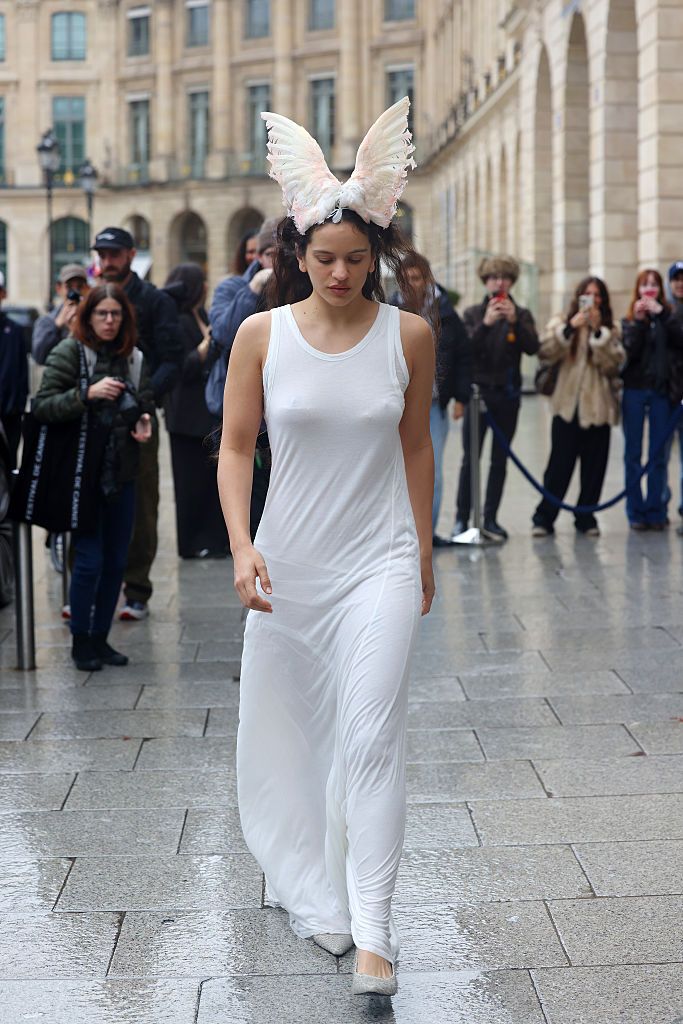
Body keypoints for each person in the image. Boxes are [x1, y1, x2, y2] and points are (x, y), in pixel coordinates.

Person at [217, 99, 434, 997]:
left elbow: (415, 445)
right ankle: (310, 873)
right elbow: (235, 448)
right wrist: (239, 547)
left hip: (379, 559)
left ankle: (376, 935)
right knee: (291, 730)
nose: (340, 273)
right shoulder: (259, 337)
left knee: (373, 731)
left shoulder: (410, 337)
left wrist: (421, 552)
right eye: (323, 259)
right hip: (288, 562)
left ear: (375, 257)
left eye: (355, 260)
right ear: (294, 257)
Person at [32, 284, 154, 670]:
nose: (108, 321)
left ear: (125, 319)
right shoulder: (71, 352)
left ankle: (101, 639)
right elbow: (43, 406)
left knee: (116, 561)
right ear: (87, 317)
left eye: (115, 314)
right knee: (88, 561)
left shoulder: (133, 357)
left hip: (123, 473)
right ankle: (81, 641)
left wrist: (144, 419)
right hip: (82, 475)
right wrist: (88, 393)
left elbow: (145, 401)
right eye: (101, 314)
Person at [92, 226, 183, 620]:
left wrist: (144, 401)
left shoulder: (154, 300)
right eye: (102, 254)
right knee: (91, 498)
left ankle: (137, 591)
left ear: (130, 254)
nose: (106, 261)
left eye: (113, 254)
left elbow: (172, 359)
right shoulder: (93, 298)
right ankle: (93, 584)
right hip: (95, 414)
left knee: (143, 505)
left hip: (139, 416)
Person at [453, 255, 539, 541]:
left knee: (499, 461)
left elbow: (532, 348)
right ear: (485, 282)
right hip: (479, 396)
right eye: (492, 277)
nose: (498, 282)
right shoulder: (473, 314)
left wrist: (514, 322)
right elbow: (466, 350)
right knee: (470, 459)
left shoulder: (522, 314)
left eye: (503, 277)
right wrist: (487, 323)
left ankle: (491, 517)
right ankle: (461, 518)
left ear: (511, 281)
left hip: (507, 395)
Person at [531, 277, 624, 537]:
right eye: (587, 294)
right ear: (578, 296)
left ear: (602, 300)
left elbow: (614, 365)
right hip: (567, 407)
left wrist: (598, 334)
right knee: (558, 467)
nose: (591, 300)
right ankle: (544, 517)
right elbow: (545, 351)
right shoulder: (561, 322)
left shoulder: (611, 329)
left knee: (594, 469)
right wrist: (569, 330)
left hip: (598, 409)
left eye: (597, 295)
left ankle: (586, 517)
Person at [390, 252, 471, 545]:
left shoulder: (445, 312)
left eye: (417, 277)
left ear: (427, 279)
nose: (412, 284)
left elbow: (462, 355)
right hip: (395, 405)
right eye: (407, 278)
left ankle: (427, 535)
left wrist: (461, 396)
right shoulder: (388, 310)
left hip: (434, 404)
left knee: (431, 470)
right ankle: (401, 535)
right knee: (395, 470)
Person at [209, 219, 278, 537]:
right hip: (250, 411)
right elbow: (224, 334)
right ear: (260, 256)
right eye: (273, 254)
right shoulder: (233, 288)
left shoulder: (304, 288)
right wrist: (253, 291)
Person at [162, 263, 228, 558]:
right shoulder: (176, 319)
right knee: (188, 485)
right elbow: (184, 367)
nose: (206, 287)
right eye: (201, 282)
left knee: (209, 482)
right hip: (185, 416)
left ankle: (212, 539)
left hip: (206, 413)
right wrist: (205, 345)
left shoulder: (200, 314)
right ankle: (189, 543)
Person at [621, 268, 683, 530]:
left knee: (658, 454)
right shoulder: (629, 319)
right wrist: (637, 323)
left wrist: (662, 315)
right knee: (633, 453)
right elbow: (627, 354)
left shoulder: (668, 315)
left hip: (661, 392)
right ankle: (636, 511)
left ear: (661, 289)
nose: (649, 289)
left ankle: (656, 510)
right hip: (634, 389)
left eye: (654, 285)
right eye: (645, 285)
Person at [32, 264, 90, 365]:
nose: (75, 292)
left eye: (79, 287)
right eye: (69, 287)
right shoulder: (46, 322)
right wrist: (57, 325)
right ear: (59, 288)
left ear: (87, 288)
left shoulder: (93, 318)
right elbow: (39, 357)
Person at [0, 272, 29, 468]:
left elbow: (21, 373)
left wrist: (16, 407)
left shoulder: (14, 331)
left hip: (9, 415)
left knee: (8, 467)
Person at [664, 261, 683, 533]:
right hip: (668, 392)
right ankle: (659, 504)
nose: (680, 283)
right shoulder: (664, 311)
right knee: (661, 453)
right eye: (676, 279)